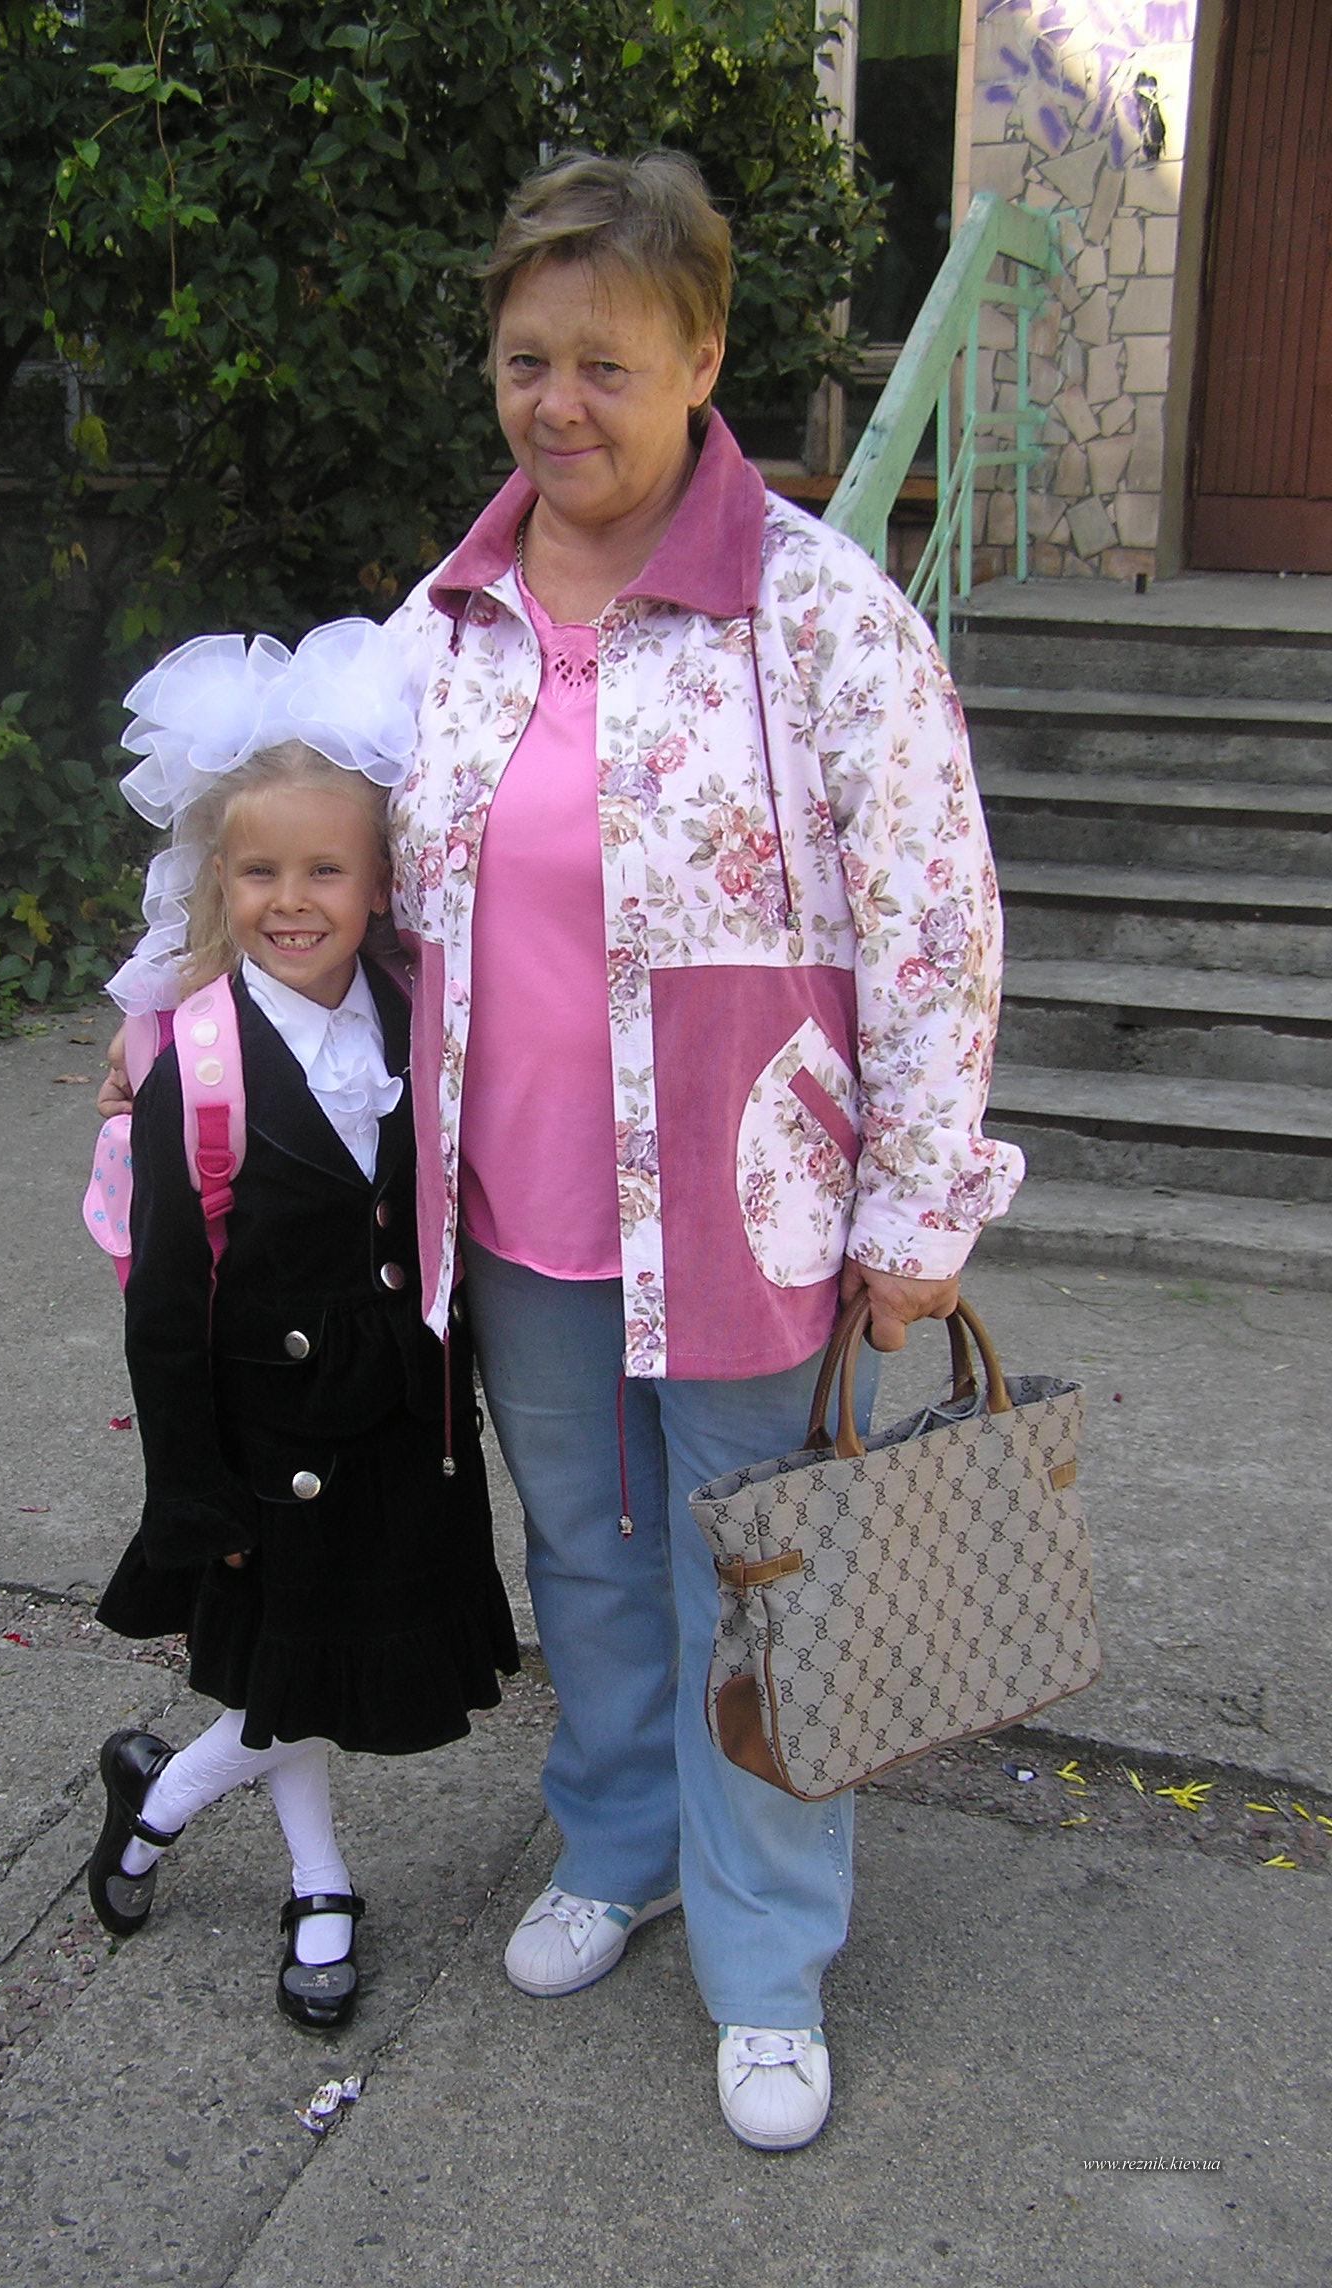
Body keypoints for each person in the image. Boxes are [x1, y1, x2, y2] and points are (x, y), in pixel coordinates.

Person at [378, 150, 1025, 2148]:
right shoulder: (452, 613)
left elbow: (933, 918)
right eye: (527, 360)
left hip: (755, 1213)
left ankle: (766, 1959)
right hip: (522, 1212)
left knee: (762, 1579)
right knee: (585, 1555)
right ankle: (621, 1840)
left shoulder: (814, 612)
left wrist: (921, 1207)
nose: (559, 404)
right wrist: (182, 1024)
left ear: (703, 358)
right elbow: (328, 862)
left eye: (608, 363)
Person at [84, 620, 519, 2032]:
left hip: (388, 1418)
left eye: (325, 871)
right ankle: (238, 1843)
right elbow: (164, 1311)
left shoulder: (411, 1016)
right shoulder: (193, 1072)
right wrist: (188, 1488)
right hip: (269, 1444)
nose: (291, 900)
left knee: (311, 1666)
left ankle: (232, 1837)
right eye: (259, 872)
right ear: (218, 881)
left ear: (378, 882)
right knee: (293, 1677)